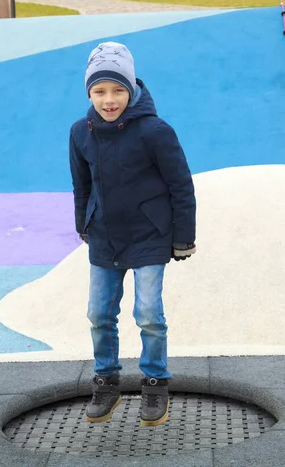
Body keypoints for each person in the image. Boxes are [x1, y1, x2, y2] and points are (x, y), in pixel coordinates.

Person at [69, 41, 196, 427]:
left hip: (148, 236)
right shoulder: (80, 132)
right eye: (100, 91)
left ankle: (155, 381)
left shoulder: (155, 131)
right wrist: (83, 224)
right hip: (105, 235)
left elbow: (181, 186)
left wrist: (182, 238)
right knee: (98, 314)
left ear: (132, 88)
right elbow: (81, 185)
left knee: (147, 314)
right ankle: (106, 381)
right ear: (89, 93)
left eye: (118, 89)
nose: (109, 100)